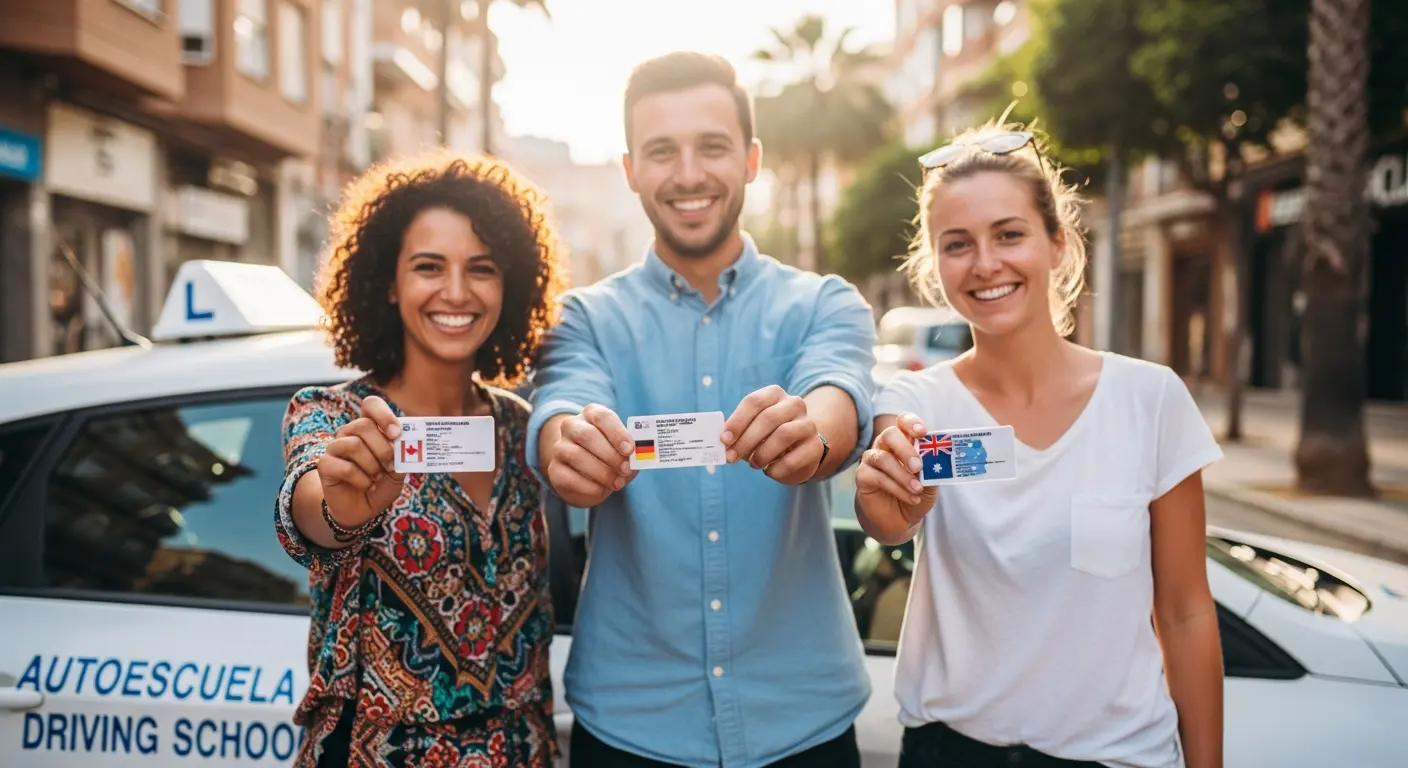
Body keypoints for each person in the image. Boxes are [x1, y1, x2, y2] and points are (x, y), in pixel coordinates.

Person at [526, 52, 876, 767]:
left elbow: (838, 396)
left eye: (712, 147)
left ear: (750, 160)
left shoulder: (824, 303)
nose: (688, 174)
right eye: (662, 152)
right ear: (630, 171)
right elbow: (561, 413)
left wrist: (811, 432)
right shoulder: (583, 319)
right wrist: (571, 451)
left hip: (803, 727)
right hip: (631, 728)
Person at [855, 120, 1225, 768]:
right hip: (949, 754)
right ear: (934, 263)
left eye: (1009, 234)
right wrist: (893, 497)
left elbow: (1187, 611)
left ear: (1057, 242)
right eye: (957, 244)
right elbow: (887, 519)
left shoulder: (1151, 399)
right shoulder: (917, 402)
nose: (986, 264)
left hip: (1118, 759)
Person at [273, 149, 566, 767]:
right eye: (428, 267)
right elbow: (311, 508)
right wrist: (342, 510)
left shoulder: (521, 426)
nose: (456, 292)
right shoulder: (334, 416)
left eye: (480, 268)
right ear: (388, 279)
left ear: (508, 282)